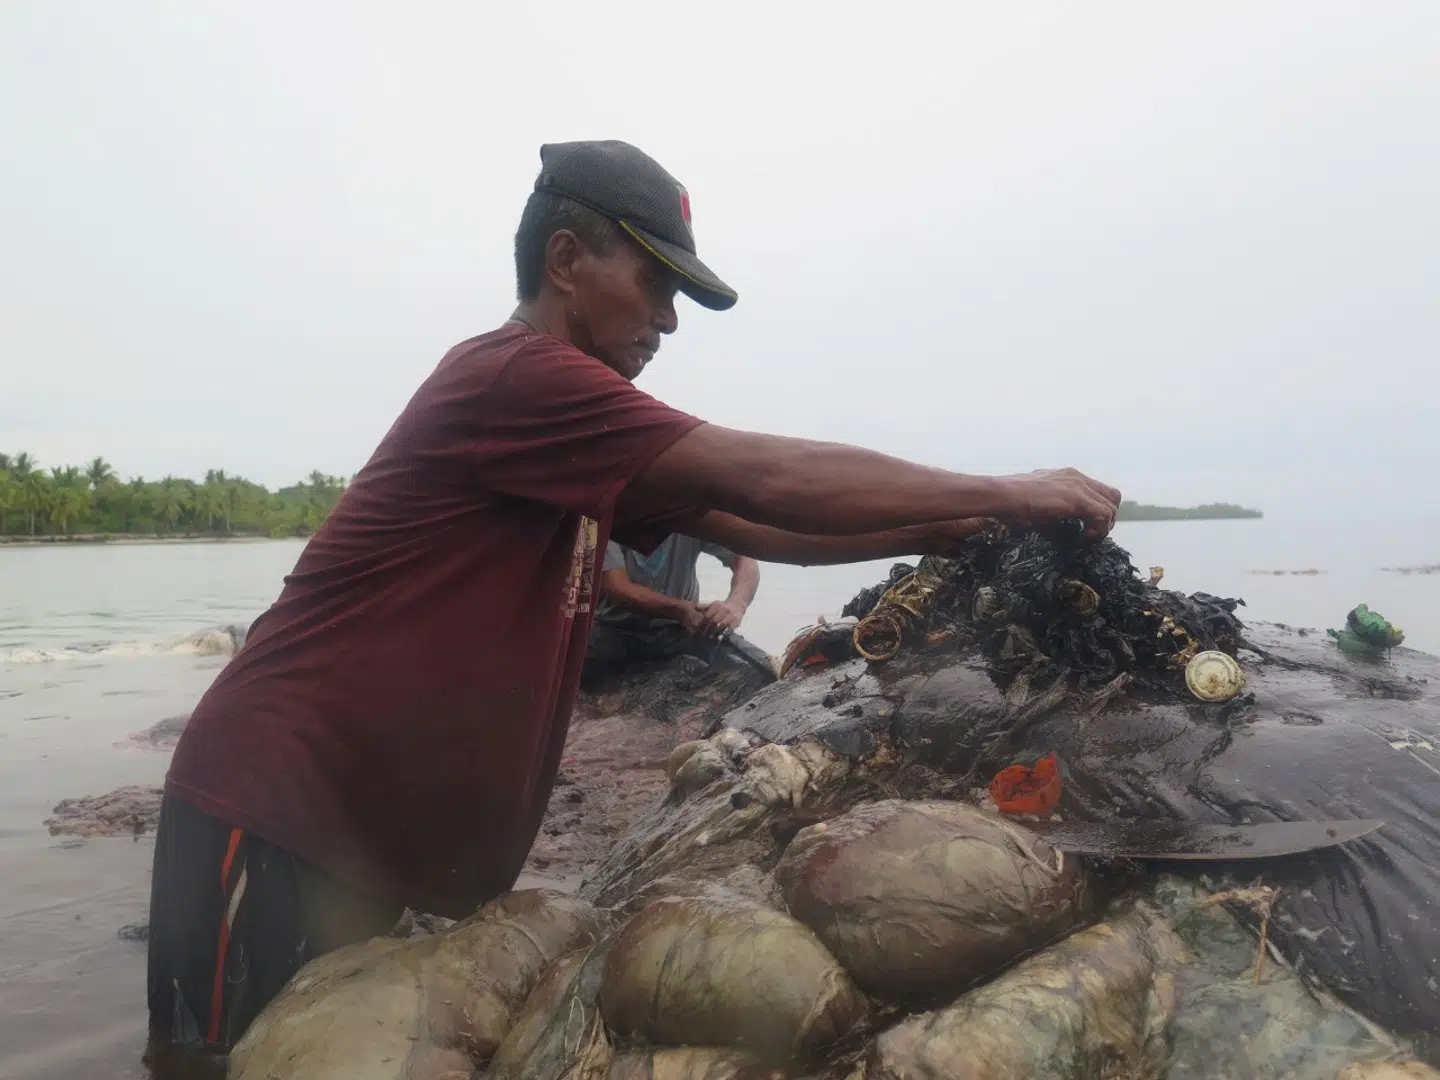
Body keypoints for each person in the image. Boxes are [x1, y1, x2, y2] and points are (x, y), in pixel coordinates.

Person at [146, 138, 1122, 1055]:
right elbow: (758, 476)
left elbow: (749, 525)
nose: (667, 319)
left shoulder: (566, 436)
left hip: (355, 839)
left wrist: (941, 530)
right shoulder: (518, 379)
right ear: (566, 259)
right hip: (275, 806)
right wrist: (1001, 490)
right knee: (213, 1059)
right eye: (655, 283)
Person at [582, 533, 764, 686]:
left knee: (761, 666)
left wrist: (736, 604)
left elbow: (745, 559)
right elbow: (617, 588)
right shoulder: (608, 515)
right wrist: (681, 610)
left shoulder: (692, 513)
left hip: (679, 629)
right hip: (612, 628)